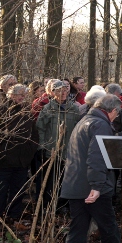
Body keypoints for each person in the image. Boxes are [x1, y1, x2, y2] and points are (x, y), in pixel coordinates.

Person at [54, 94, 122, 243]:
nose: (116, 117)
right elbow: (96, 157)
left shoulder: (84, 120)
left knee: (78, 232)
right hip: (91, 188)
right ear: (111, 111)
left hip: (75, 186)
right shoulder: (100, 125)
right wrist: (97, 186)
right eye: (116, 113)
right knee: (107, 223)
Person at [0, 84, 38, 221]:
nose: (23, 98)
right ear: (12, 95)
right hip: (2, 160)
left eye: (25, 95)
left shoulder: (27, 112)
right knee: (0, 191)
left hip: (21, 161)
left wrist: (28, 154)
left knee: (18, 191)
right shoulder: (1, 111)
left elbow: (34, 136)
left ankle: (14, 216)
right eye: (20, 95)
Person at [36, 80, 82, 213]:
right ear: (53, 93)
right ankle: (48, 205)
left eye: (65, 91)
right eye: (59, 91)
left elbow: (78, 129)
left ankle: (62, 205)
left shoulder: (73, 109)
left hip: (69, 151)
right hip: (51, 151)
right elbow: (40, 129)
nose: (62, 93)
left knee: (66, 180)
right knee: (50, 180)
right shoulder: (48, 109)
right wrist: (42, 147)